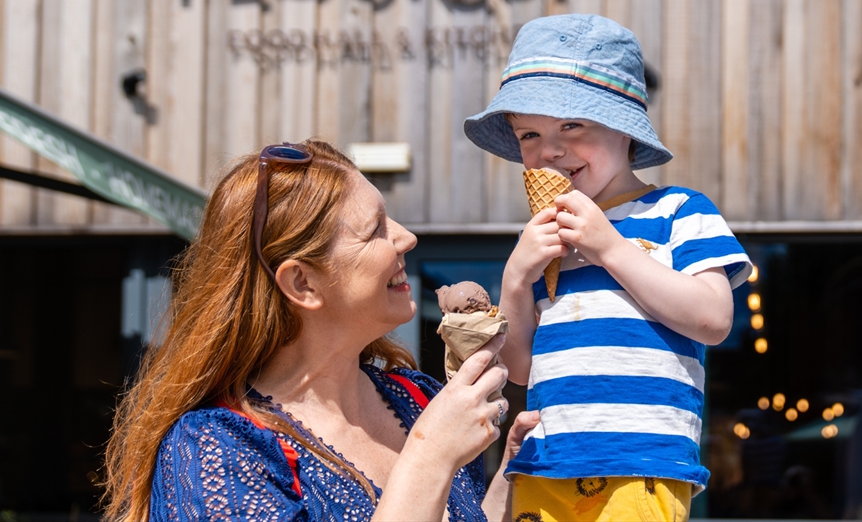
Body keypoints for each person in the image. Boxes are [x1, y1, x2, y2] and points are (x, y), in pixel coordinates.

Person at [103, 140, 537, 522]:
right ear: (302, 284)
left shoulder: (419, 399)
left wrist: (509, 481)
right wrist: (430, 458)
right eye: (375, 230)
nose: (406, 238)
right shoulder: (214, 449)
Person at [464, 14, 753, 522]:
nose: (549, 150)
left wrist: (611, 249)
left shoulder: (679, 212)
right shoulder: (541, 238)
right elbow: (523, 368)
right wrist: (515, 278)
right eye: (529, 134)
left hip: (638, 461)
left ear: (623, 126)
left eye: (572, 125)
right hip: (542, 460)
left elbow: (713, 319)